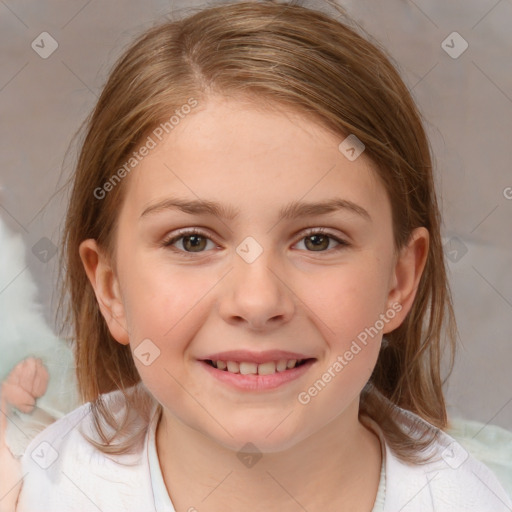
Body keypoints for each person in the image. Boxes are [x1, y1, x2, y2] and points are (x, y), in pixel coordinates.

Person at [9, 1, 512, 511]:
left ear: (399, 282)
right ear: (111, 289)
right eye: (192, 241)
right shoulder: (37, 494)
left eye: (318, 240)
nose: (257, 300)